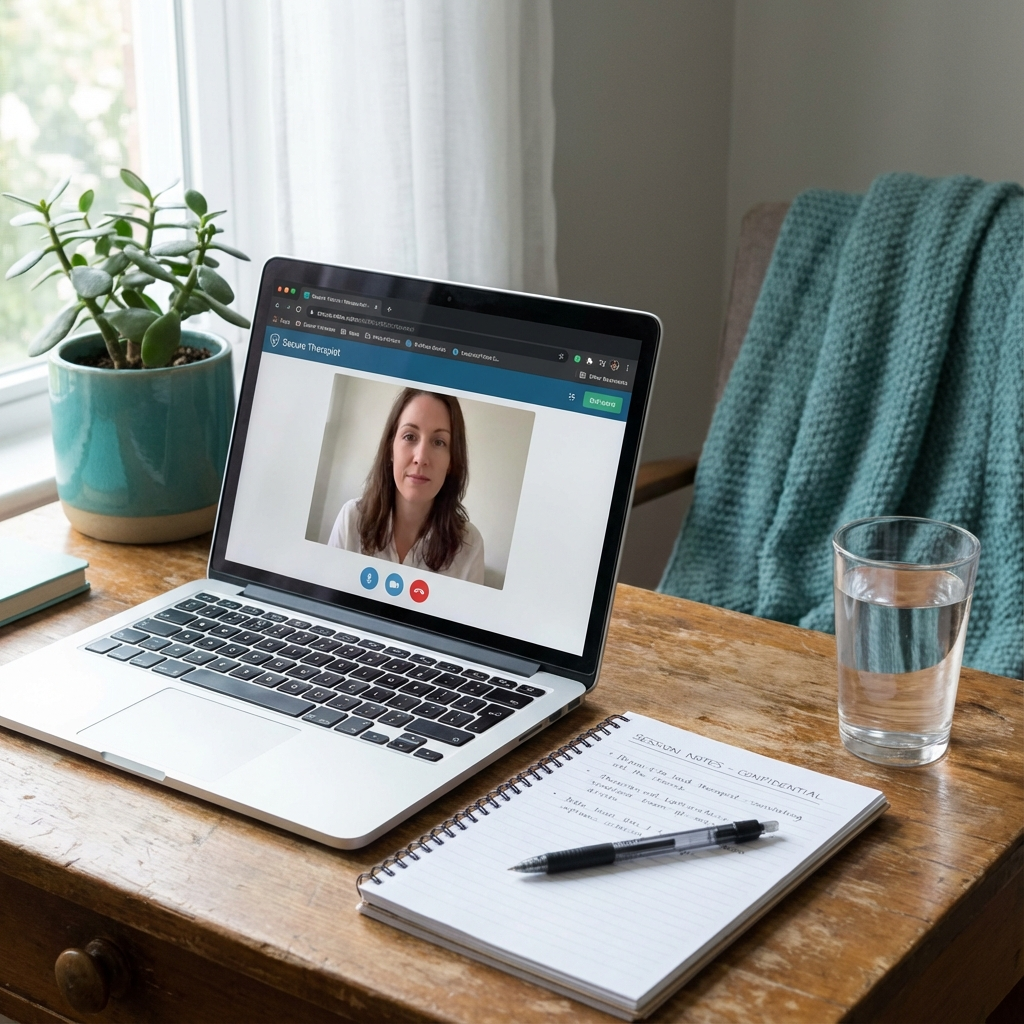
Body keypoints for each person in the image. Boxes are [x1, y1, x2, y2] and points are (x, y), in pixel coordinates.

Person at [328, 388, 485, 583]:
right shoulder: (351, 519)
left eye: (438, 442)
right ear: (391, 449)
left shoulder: (470, 545)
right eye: (410, 436)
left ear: (451, 461)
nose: (420, 458)